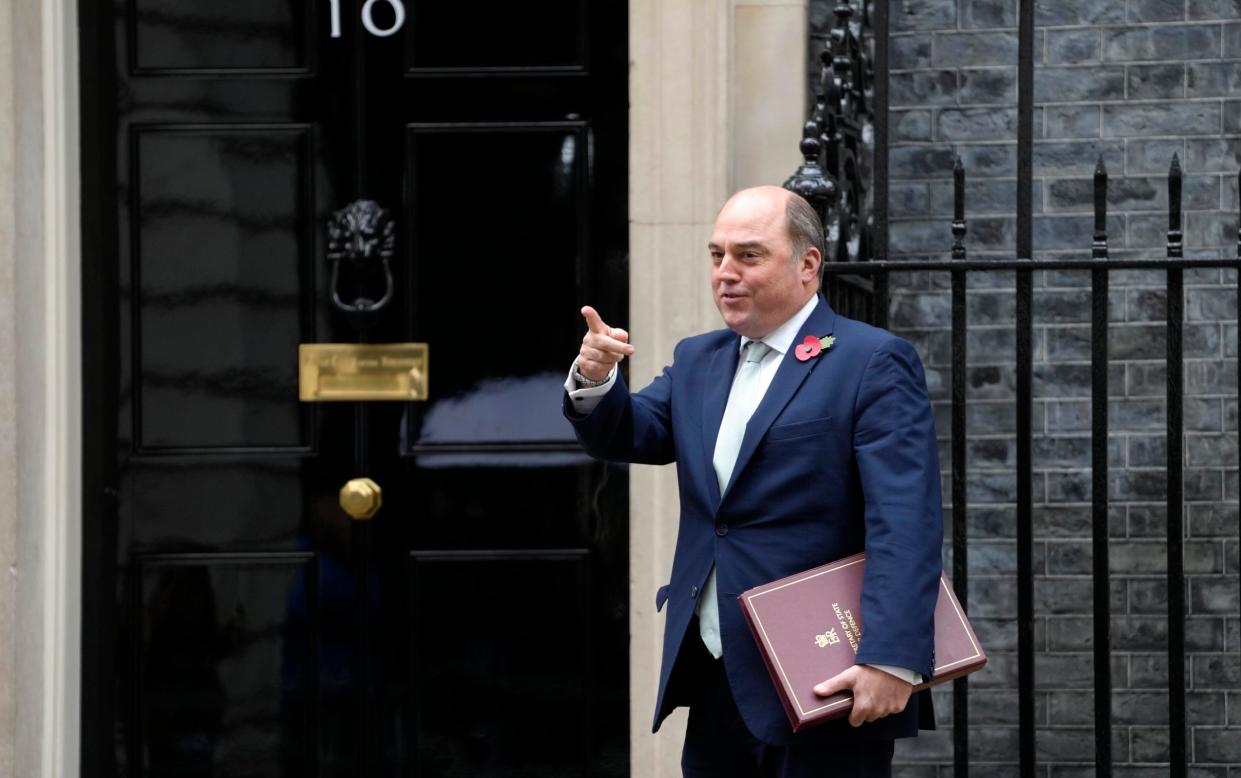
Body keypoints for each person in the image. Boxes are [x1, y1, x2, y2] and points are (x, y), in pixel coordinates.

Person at [563, 186, 943, 777]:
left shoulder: (870, 362)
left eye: (748, 255)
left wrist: (892, 658)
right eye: (717, 256)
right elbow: (631, 433)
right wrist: (594, 377)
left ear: (808, 265)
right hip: (716, 673)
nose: (726, 274)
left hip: (824, 673)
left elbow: (904, 521)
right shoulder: (698, 360)